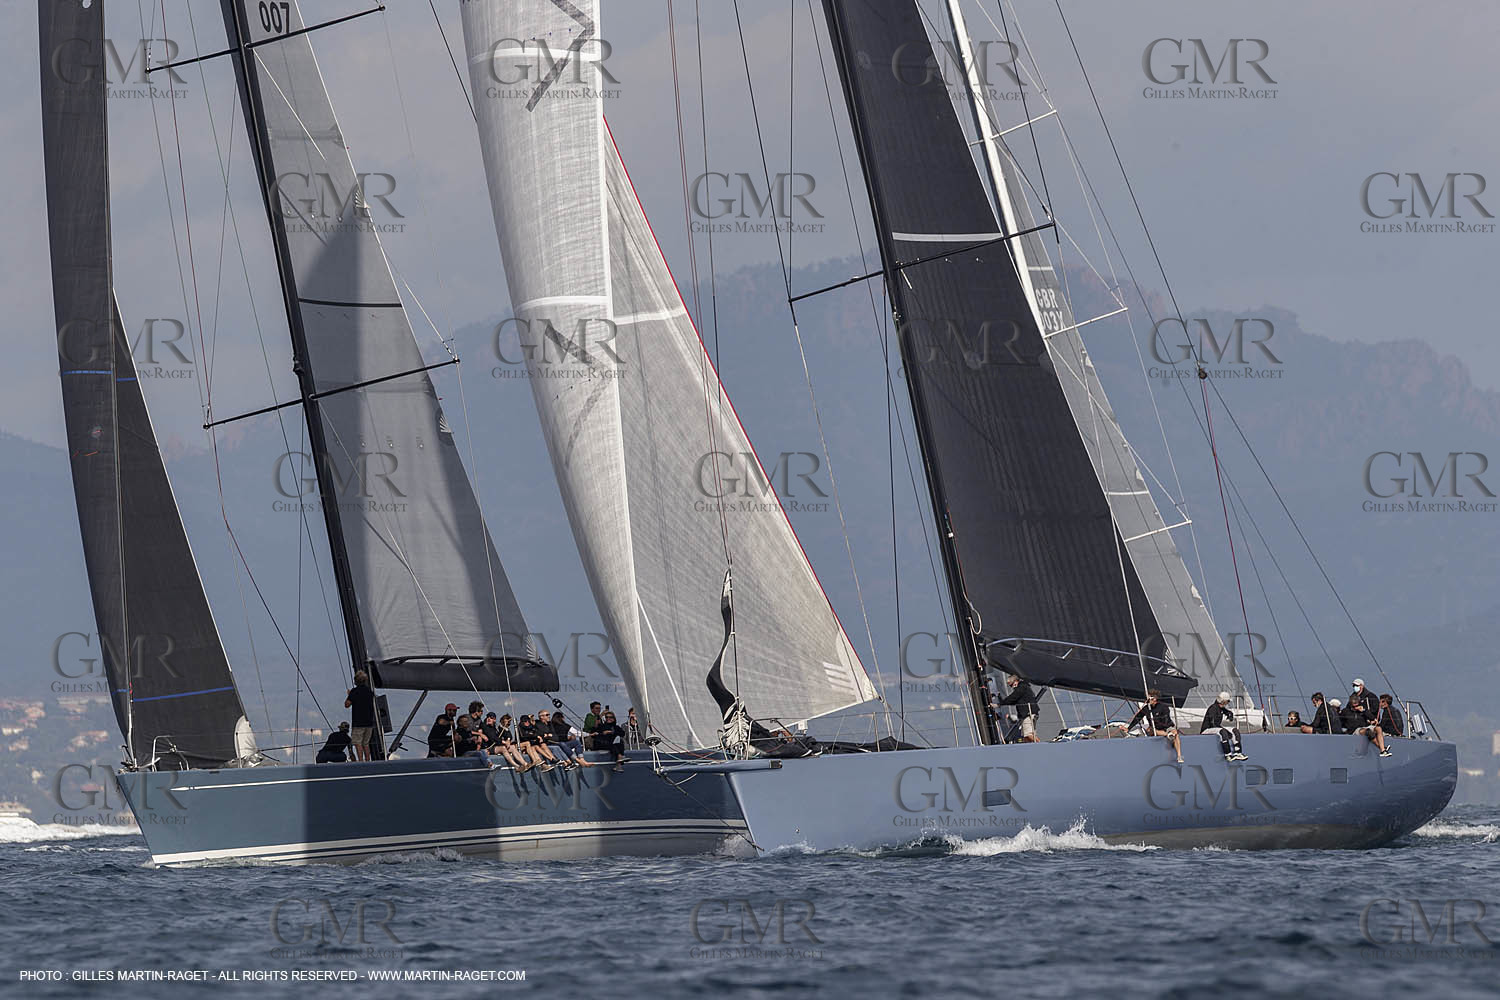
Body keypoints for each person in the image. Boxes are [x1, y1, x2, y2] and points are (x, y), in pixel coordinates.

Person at [1127, 689, 1182, 763]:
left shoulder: (1163, 707)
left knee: (1176, 734)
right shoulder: (1146, 708)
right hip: (1155, 729)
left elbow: (1165, 720)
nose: (1148, 699)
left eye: (1149, 698)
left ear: (1154, 699)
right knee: (1151, 730)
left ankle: (1179, 756)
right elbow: (1138, 718)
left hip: (1167, 727)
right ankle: (1168, 735)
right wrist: (1128, 728)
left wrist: (1166, 729)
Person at [995, 674, 1042, 743]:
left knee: (1028, 734)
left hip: (1027, 714)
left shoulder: (1021, 687)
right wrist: (1003, 703)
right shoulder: (1024, 687)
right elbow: (1014, 700)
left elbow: (1013, 697)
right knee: (1025, 736)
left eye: (1011, 685)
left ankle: (1040, 745)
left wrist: (999, 704)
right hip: (1029, 714)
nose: (1011, 687)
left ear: (1016, 681)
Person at [1200, 691, 1247, 760]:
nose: (1227, 703)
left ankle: (1238, 753)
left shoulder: (1220, 708)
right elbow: (1212, 723)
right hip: (1207, 729)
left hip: (1216, 728)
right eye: (1227, 701)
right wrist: (1226, 732)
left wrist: (1230, 714)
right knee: (1223, 731)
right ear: (1223, 701)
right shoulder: (1213, 708)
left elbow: (1226, 711)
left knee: (1234, 730)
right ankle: (1227, 754)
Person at [344, 669, 377, 762]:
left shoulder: (354, 692)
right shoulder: (369, 692)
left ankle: (361, 761)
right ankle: (367, 760)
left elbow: (347, 705)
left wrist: (349, 695)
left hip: (358, 723)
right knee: (366, 743)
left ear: (356, 681)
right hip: (369, 722)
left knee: (358, 743)